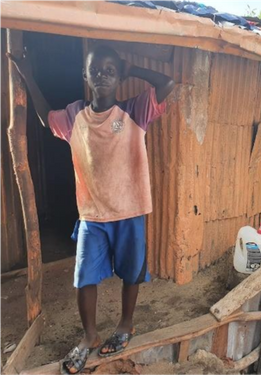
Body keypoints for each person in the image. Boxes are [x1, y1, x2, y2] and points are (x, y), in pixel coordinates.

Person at [8, 44, 175, 374]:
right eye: (95, 70)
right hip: (92, 215)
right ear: (85, 75)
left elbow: (167, 84)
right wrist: (26, 73)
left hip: (130, 211)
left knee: (132, 273)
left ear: (118, 76)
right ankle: (89, 337)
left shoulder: (134, 112)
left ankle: (125, 325)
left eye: (110, 71)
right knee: (84, 277)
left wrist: (132, 67)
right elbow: (45, 117)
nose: (102, 76)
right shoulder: (74, 116)